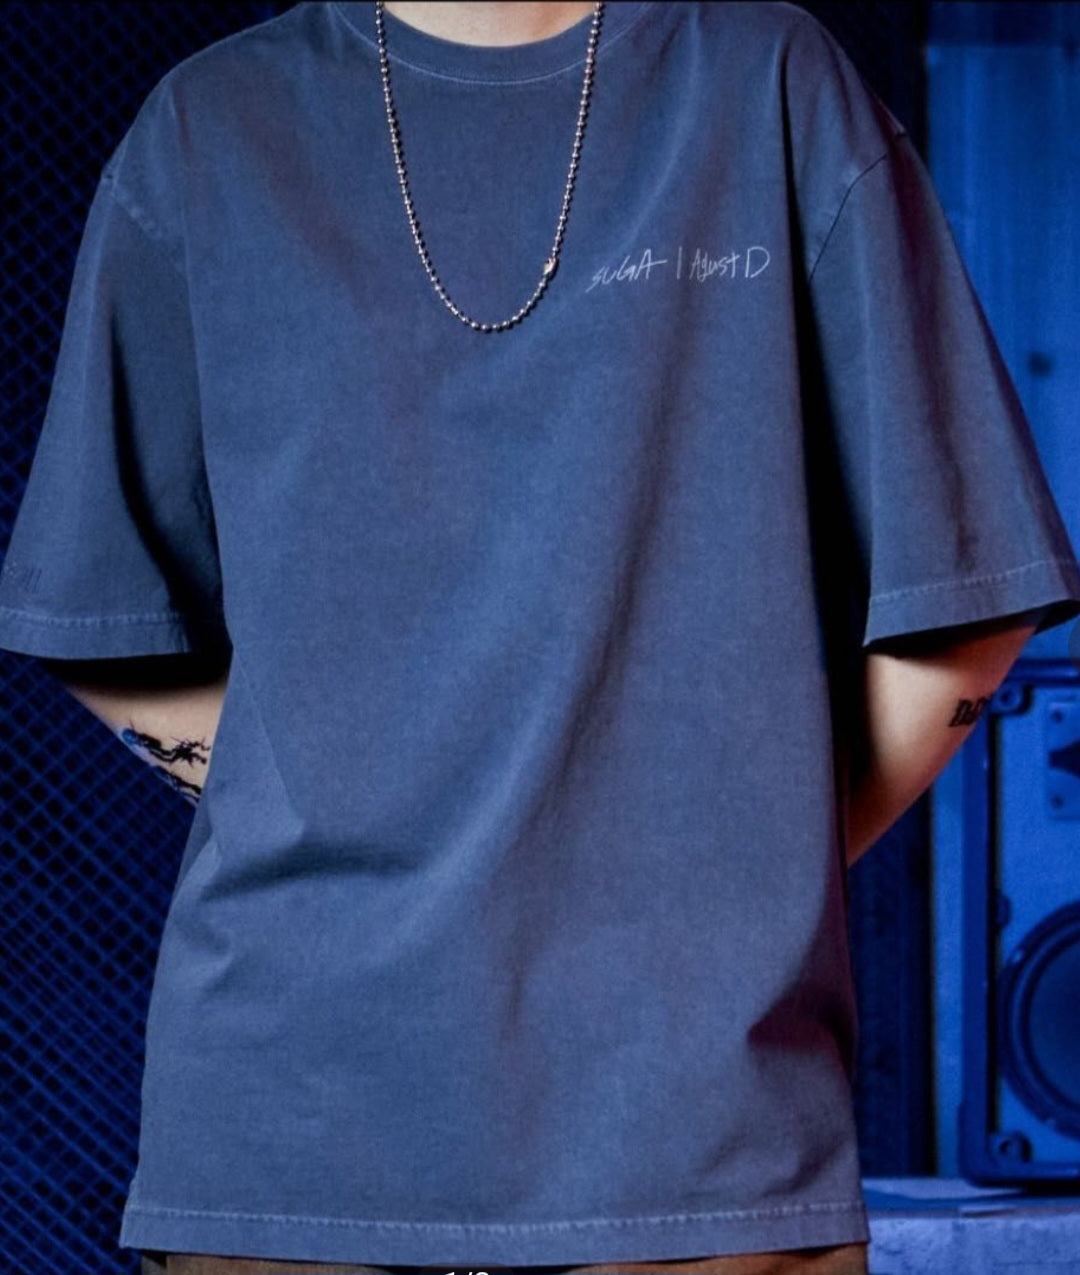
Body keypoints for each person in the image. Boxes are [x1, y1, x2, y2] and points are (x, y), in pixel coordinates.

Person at [1, 1, 1079, 1272]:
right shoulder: (211, 125)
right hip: (288, 1136)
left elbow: (970, 596)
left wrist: (734, 862)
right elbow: (105, 612)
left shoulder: (768, 84)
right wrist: (334, 801)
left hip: (698, 1147)